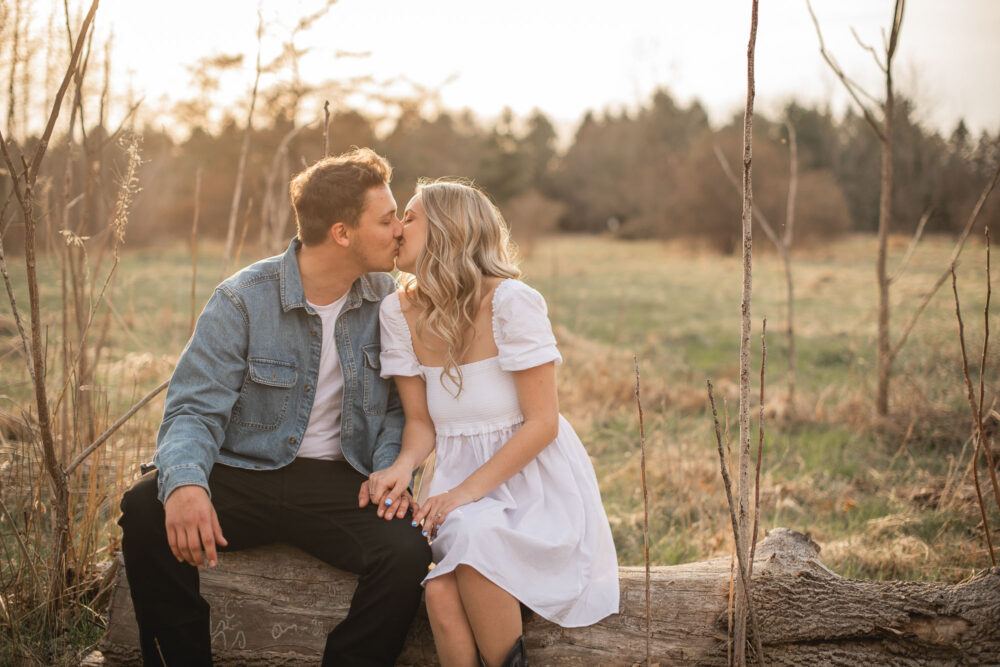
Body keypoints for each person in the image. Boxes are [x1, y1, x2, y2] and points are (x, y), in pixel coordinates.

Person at [117, 148, 432, 667]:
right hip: (244, 472)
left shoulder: (391, 303)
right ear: (342, 233)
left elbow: (404, 408)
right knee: (147, 505)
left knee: (407, 550)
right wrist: (187, 483)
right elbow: (193, 409)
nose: (399, 230)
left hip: (343, 482)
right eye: (386, 219)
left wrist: (388, 470)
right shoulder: (243, 299)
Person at [368, 180, 620, 667]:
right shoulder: (397, 312)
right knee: (440, 594)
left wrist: (462, 495)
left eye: (410, 218)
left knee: (474, 538)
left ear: (447, 230)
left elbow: (543, 423)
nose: (397, 228)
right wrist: (401, 467)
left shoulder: (511, 302)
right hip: (457, 485)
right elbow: (421, 424)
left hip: (533, 487)